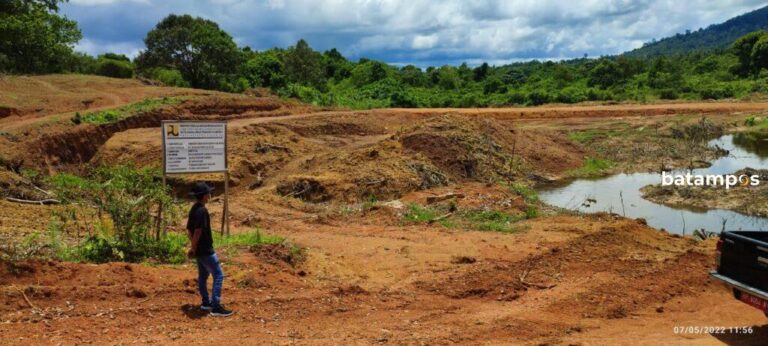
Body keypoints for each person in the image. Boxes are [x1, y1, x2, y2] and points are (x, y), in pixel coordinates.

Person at [186, 181, 233, 317]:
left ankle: (206, 303)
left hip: (200, 250)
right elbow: (198, 231)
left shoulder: (194, 208)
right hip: (206, 250)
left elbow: (189, 230)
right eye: (208, 194)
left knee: (203, 276)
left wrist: (194, 247)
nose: (209, 195)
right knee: (218, 275)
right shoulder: (202, 211)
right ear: (205, 196)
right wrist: (193, 247)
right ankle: (216, 306)